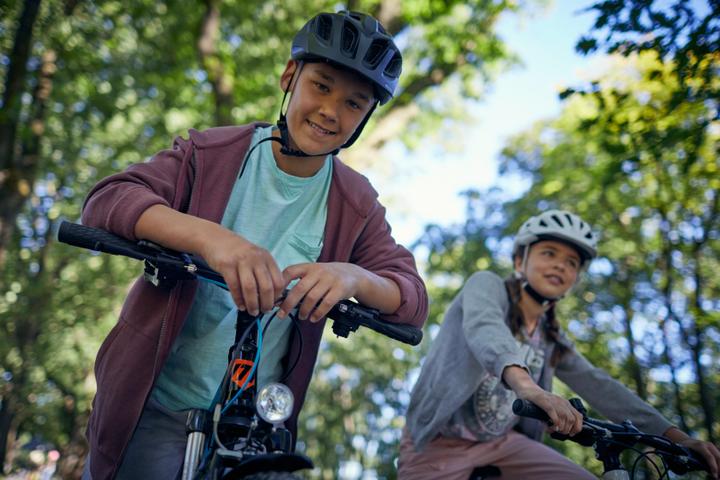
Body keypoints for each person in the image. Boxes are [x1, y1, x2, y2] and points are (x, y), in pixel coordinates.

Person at [78, 10, 428, 480]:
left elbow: (411, 300)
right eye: (321, 86)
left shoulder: (356, 203)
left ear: (366, 116)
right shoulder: (211, 153)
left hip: (257, 426)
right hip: (156, 406)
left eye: (353, 103)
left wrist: (353, 276)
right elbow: (109, 200)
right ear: (290, 76)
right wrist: (214, 240)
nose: (330, 110)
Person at [398, 210, 720, 479]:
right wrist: (530, 389)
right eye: (549, 253)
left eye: (571, 262)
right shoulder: (487, 286)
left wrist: (677, 438)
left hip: (504, 444)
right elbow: (486, 330)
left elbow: (601, 387)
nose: (560, 265)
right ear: (520, 260)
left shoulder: (551, 338)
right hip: (437, 441)